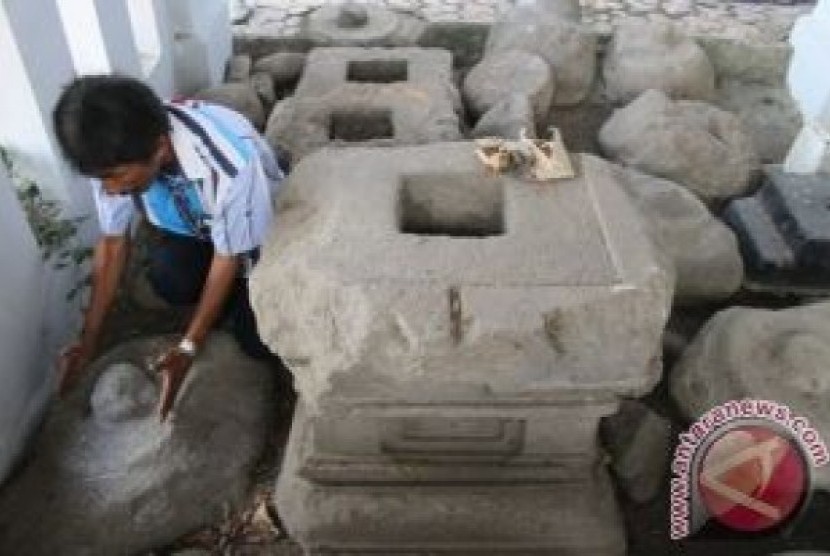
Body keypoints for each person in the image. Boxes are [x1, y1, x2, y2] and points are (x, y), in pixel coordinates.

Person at [52, 75, 285, 421]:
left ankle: (239, 300)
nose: (111, 190)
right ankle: (221, 307)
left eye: (118, 178)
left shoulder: (229, 166)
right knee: (169, 280)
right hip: (197, 225)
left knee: (257, 343)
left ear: (160, 149)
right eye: (103, 180)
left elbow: (228, 256)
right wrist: (88, 342)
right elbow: (114, 244)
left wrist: (189, 346)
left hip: (252, 225)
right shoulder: (115, 154)